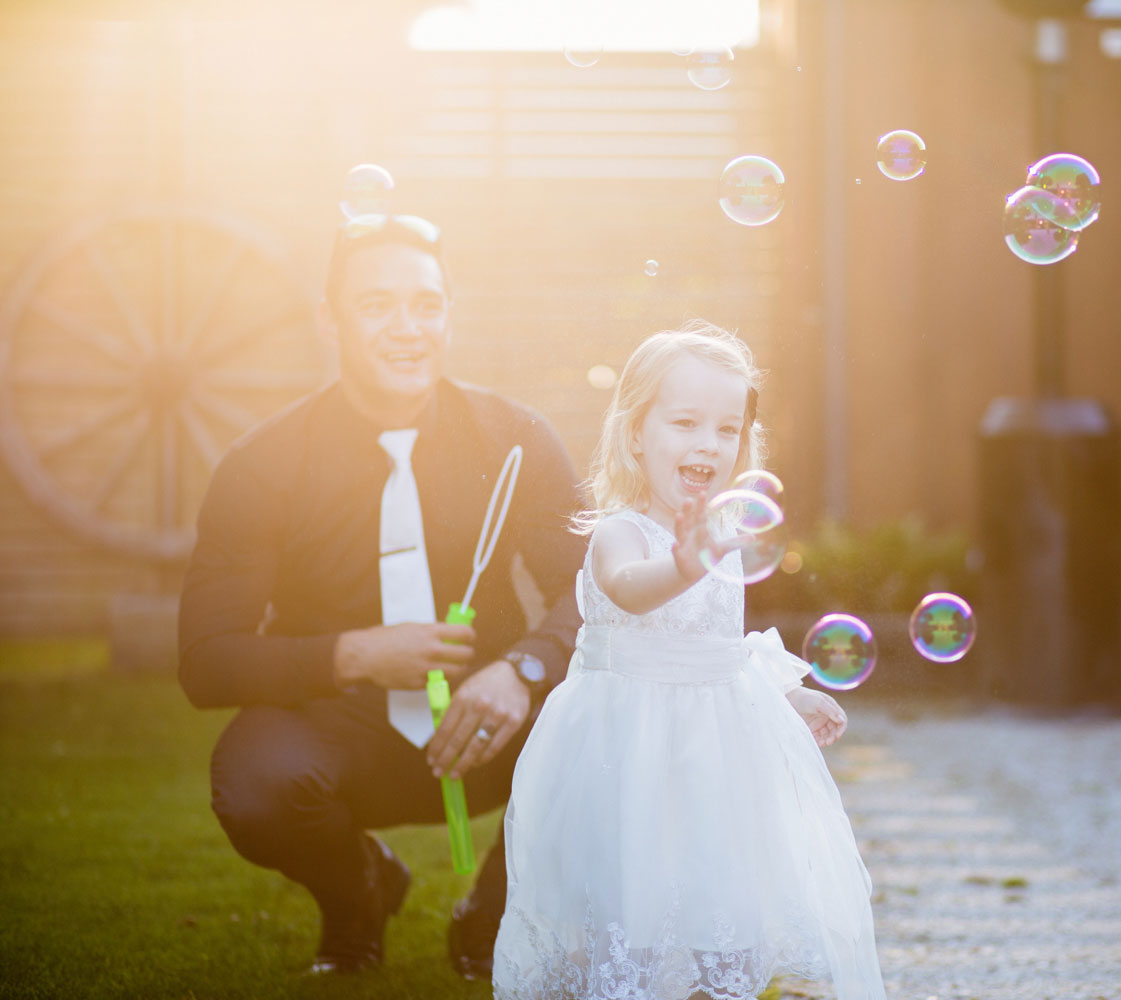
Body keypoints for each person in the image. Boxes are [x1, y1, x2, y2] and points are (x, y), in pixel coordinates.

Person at [177, 209, 586, 979]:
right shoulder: (262, 465)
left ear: (449, 316)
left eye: (427, 305)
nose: (408, 328)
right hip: (338, 731)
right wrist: (356, 653)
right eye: (378, 306)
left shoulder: (515, 439)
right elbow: (206, 661)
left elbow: (595, 590)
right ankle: (359, 892)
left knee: (613, 735)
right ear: (330, 321)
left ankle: (495, 921)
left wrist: (524, 669)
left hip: (492, 724)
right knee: (257, 784)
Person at [491, 321, 888, 999]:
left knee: (711, 902)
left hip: (709, 765)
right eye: (685, 422)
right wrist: (685, 562)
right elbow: (630, 592)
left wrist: (786, 697)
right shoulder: (621, 534)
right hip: (629, 760)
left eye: (727, 429)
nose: (708, 442)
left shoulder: (720, 541)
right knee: (633, 908)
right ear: (636, 433)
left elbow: (721, 651)